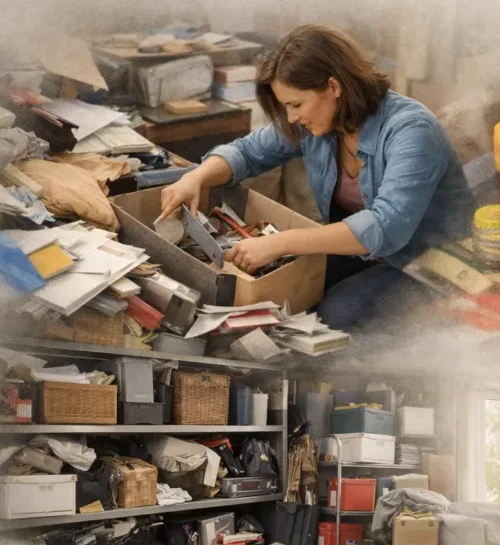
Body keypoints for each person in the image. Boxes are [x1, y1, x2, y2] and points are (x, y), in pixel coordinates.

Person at [158, 25, 477, 331]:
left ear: (334, 87)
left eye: (296, 104)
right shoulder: (318, 121)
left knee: (334, 313)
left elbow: (385, 227)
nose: (292, 117)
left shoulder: (411, 130)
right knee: (284, 295)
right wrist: (195, 178)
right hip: (364, 253)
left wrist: (279, 243)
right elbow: (249, 152)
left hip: (429, 266)